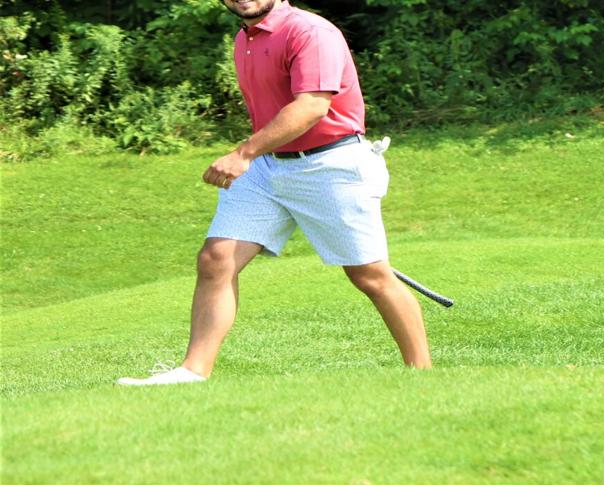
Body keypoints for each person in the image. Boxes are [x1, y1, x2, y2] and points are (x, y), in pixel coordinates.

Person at [119, 0, 430, 385]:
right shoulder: (244, 38)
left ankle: (422, 375)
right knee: (217, 258)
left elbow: (313, 106)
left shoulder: (310, 31)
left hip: (330, 164)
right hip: (269, 167)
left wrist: (243, 152)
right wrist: (255, 153)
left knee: (368, 276)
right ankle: (192, 372)